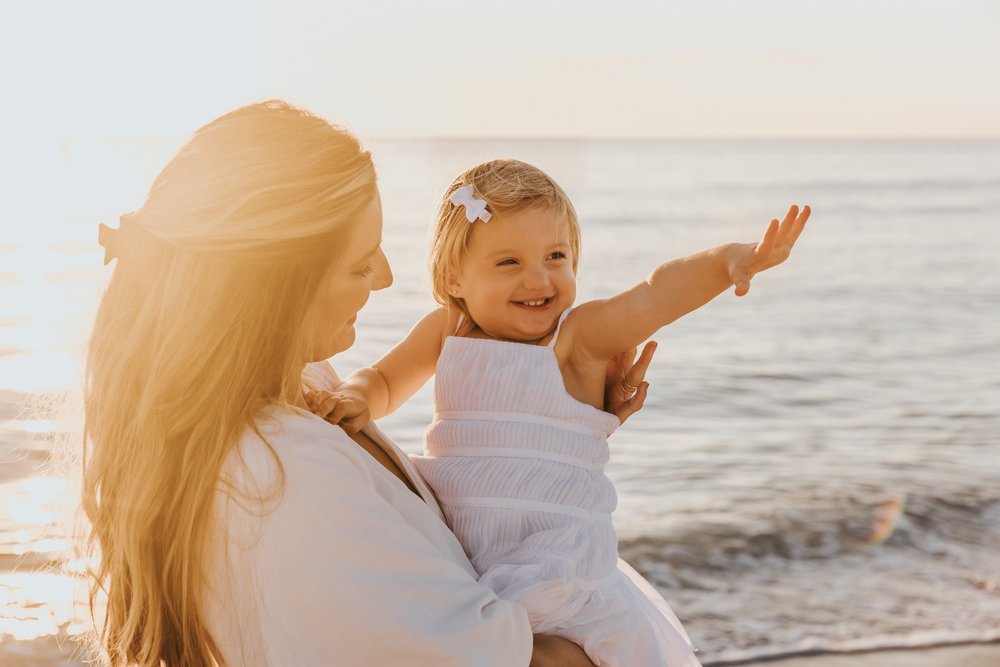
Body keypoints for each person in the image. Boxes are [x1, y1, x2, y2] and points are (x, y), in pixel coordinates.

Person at [81, 100, 655, 667]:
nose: (385, 278)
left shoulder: (306, 387)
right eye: (360, 264)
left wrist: (554, 430)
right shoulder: (278, 473)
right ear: (278, 282)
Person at [309, 159, 810, 666]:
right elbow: (386, 379)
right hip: (463, 553)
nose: (539, 279)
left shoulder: (576, 338)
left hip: (555, 563)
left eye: (556, 256)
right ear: (455, 277)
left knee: (539, 656)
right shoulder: (448, 329)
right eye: (509, 263)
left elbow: (655, 294)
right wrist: (356, 396)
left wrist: (728, 262)